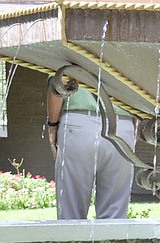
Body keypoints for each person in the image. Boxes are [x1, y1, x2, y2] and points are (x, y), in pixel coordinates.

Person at [47, 80, 136, 219]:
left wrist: (52, 125)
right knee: (114, 216)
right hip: (121, 125)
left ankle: (72, 241)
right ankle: (111, 240)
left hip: (78, 123)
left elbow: (60, 82)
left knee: (71, 214)